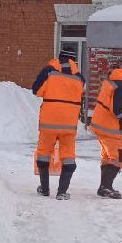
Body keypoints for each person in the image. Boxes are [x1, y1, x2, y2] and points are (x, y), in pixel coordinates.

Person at [31, 51, 85, 200]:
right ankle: (62, 192)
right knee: (68, 156)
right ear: (74, 60)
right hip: (69, 123)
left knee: (44, 153)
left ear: (59, 58)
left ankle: (45, 189)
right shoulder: (80, 77)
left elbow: (36, 90)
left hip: (49, 122)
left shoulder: (49, 71)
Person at [90, 58, 122, 199]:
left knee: (108, 157)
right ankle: (106, 187)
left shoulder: (116, 79)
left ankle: (104, 187)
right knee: (117, 157)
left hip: (101, 123)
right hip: (109, 127)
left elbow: (118, 99)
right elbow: (118, 110)